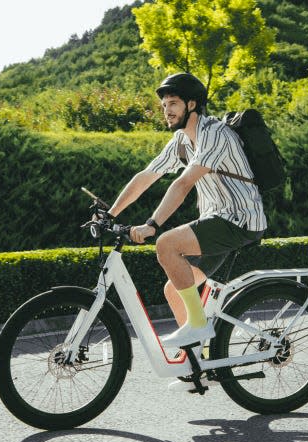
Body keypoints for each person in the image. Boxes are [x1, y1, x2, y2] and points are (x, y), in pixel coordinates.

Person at [105, 72, 267, 349]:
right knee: (175, 289)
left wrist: (152, 224)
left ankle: (198, 326)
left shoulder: (215, 134)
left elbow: (183, 184)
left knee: (166, 244)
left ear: (192, 105)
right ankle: (200, 363)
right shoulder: (182, 139)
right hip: (217, 219)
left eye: (173, 104)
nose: (166, 111)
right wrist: (110, 214)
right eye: (164, 105)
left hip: (240, 219)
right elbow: (147, 176)